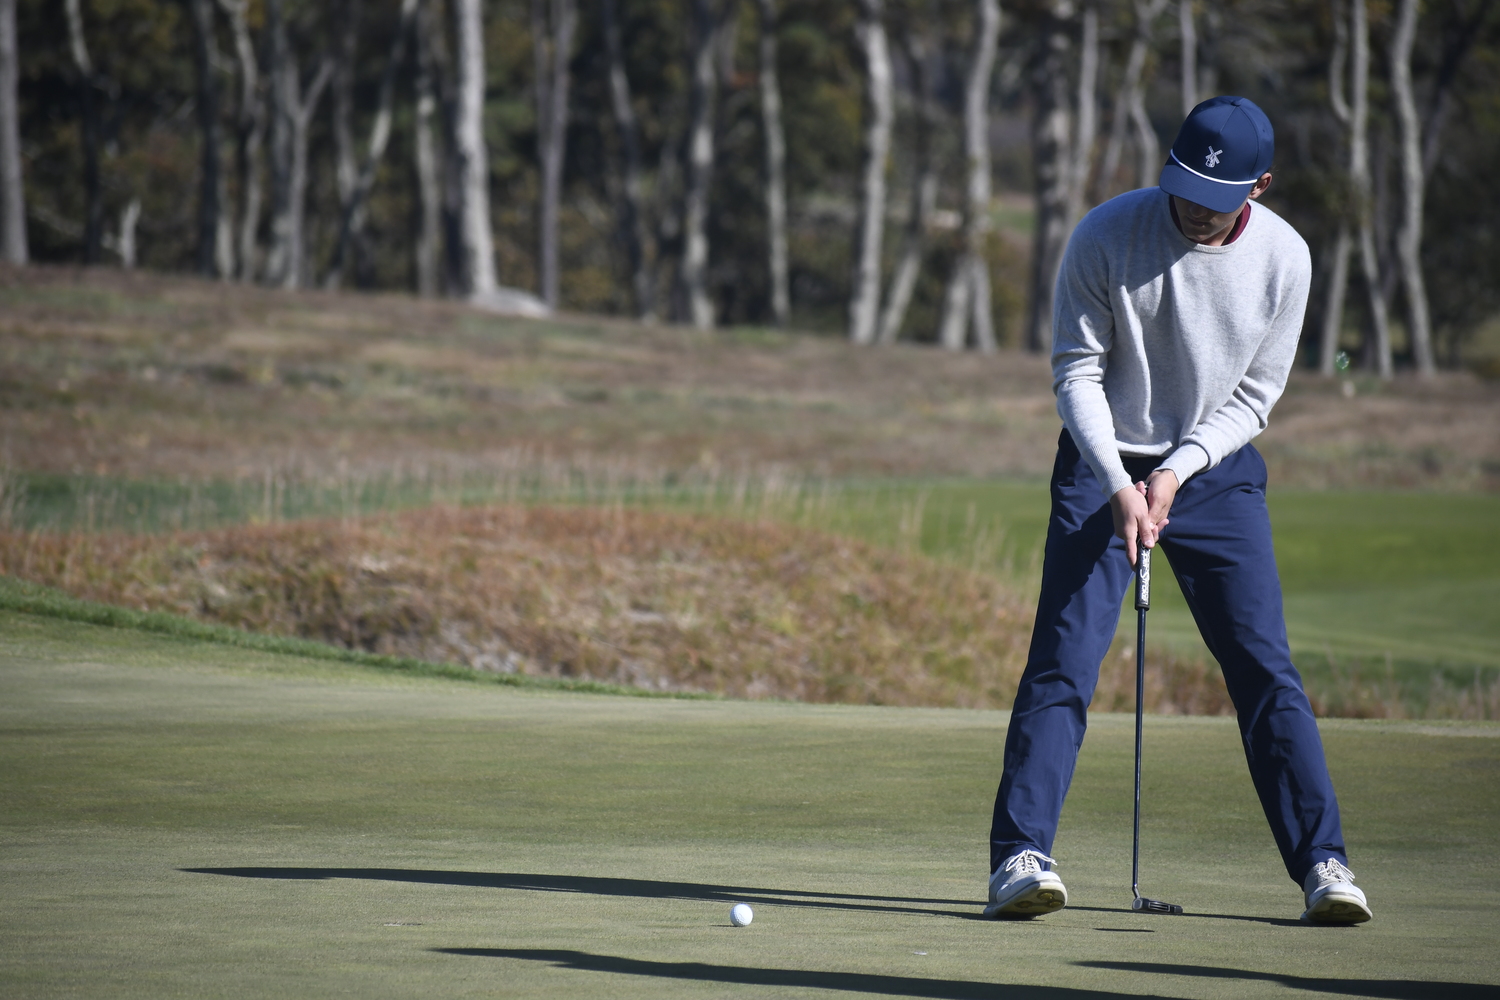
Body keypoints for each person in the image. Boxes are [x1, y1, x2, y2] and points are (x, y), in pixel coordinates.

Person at [984, 96, 1372, 925]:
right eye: (1182, 186)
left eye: (1215, 196)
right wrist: (1121, 482)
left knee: (1265, 669)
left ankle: (1325, 866)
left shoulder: (1287, 260)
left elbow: (1257, 397)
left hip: (1215, 470)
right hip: (1100, 465)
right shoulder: (1106, 234)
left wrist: (1177, 471)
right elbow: (1075, 372)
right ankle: (1021, 857)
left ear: (1259, 187)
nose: (1192, 209)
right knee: (1063, 661)